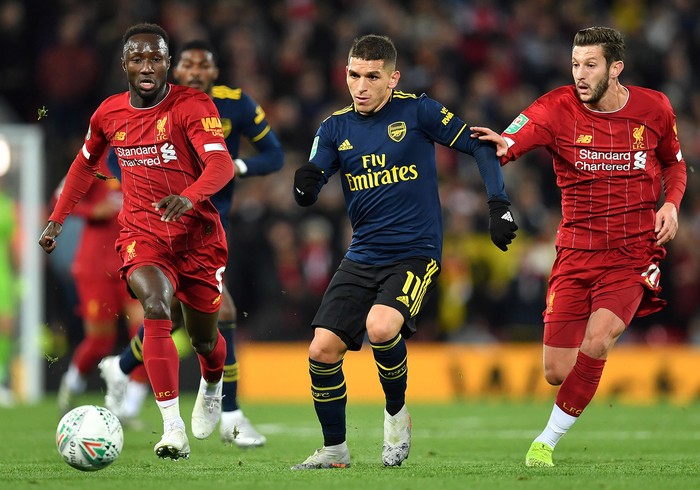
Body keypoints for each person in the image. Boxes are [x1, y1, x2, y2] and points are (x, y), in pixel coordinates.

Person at [290, 34, 518, 469]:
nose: (361, 86)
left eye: (372, 77)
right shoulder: (335, 126)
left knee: (380, 326)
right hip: (362, 255)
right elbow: (314, 173)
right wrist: (304, 185)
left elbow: (480, 144)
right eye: (354, 75)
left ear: (392, 79)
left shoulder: (419, 110)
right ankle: (335, 449)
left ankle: (396, 416)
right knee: (321, 350)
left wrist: (498, 205)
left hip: (416, 252)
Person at [470, 26, 687, 467]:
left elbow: (674, 165)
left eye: (590, 65)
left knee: (601, 337)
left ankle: (544, 443)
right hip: (575, 252)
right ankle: (579, 392)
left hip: (633, 252)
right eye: (575, 64)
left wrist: (671, 204)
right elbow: (513, 138)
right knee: (555, 371)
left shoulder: (655, 108)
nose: (580, 74)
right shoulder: (557, 107)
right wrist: (502, 145)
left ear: (615, 68)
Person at [39, 23, 235, 461]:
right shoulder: (108, 114)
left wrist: (188, 197)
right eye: (137, 58)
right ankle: (172, 429)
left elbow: (220, 167)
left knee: (205, 340)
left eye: (155, 58)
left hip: (198, 238)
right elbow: (82, 167)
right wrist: (57, 221)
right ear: (124, 64)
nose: (146, 66)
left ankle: (213, 382)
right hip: (143, 235)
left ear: (168, 63)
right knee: (155, 306)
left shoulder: (192, 105)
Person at [98, 39, 283, 447]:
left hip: (210, 224)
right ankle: (231, 415)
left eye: (204, 66)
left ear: (215, 73)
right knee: (218, 312)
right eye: (188, 65)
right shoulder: (157, 107)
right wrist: (132, 183)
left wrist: (238, 164)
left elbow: (275, 155)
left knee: (184, 319)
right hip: (162, 224)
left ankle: (122, 365)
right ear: (175, 69)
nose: (195, 72)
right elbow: (113, 153)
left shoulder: (236, 104)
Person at [55, 158, 146, 415]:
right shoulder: (95, 163)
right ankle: (73, 382)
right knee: (100, 341)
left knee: (144, 332)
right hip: (95, 266)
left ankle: (132, 406)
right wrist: (92, 210)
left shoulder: (145, 160)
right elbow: (59, 198)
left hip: (132, 262)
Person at [0, 183, 17, 407]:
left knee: (5, 327)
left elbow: (14, 243)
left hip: (3, 274)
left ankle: (1, 381)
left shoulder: (7, 205)